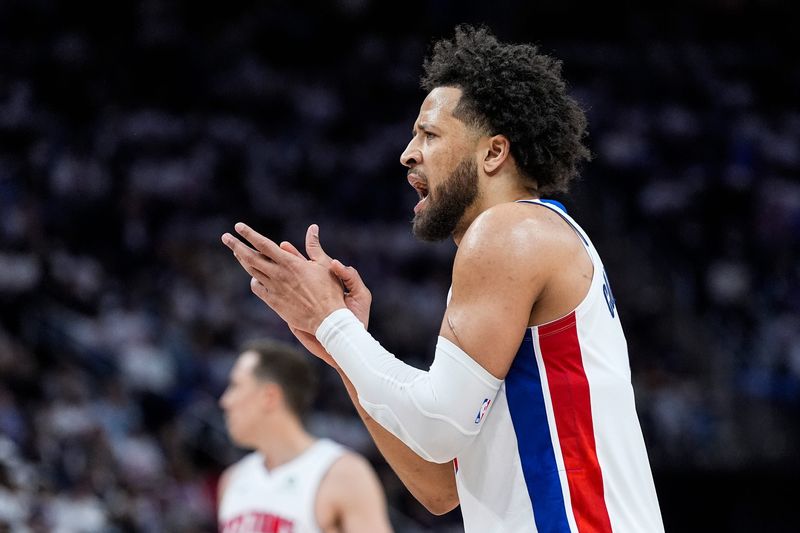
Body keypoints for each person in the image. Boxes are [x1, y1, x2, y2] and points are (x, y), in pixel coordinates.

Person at [221, 24, 665, 533]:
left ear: (494, 153)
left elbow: (437, 428)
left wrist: (331, 323)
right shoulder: (532, 238)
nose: (407, 153)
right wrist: (344, 346)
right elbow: (438, 486)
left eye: (429, 134)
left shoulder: (510, 231)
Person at [217, 338, 393, 533]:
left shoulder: (342, 473)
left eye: (235, 386)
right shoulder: (232, 480)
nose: (225, 401)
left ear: (269, 397)